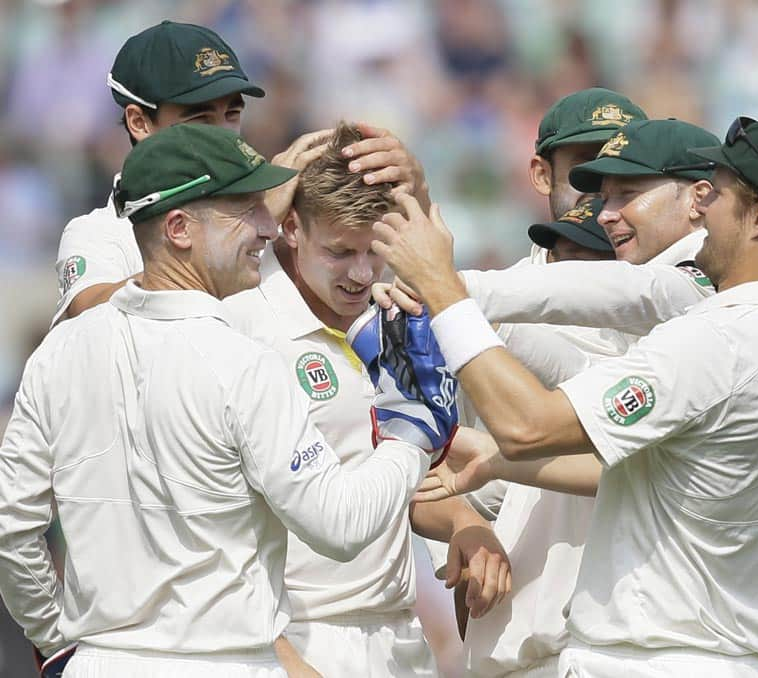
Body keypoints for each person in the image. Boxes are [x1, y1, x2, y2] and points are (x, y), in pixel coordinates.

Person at [366, 117, 758, 677]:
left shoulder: (723, 340)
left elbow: (527, 424)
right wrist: (499, 458)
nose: (703, 212)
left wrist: (443, 290)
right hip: (726, 658)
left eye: (717, 196)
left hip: (647, 661)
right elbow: (654, 468)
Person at [0, 124, 453, 678]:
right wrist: (413, 427)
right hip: (227, 662)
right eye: (245, 209)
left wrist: (59, 642)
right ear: (179, 228)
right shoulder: (245, 360)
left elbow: (11, 529)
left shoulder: (59, 351)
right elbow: (340, 524)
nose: (268, 227)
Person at [223, 122, 511, 677]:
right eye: (339, 252)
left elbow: (389, 477)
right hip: (292, 641)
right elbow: (213, 529)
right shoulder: (243, 329)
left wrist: (463, 523)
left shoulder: (392, 320)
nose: (360, 273)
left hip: (400, 639)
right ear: (290, 229)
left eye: (373, 249)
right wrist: (281, 658)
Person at [51, 20, 401, 327]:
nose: (224, 134)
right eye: (200, 119)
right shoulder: (99, 233)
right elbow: (89, 324)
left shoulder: (280, 212)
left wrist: (414, 188)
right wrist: (250, 225)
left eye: (232, 115)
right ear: (139, 122)